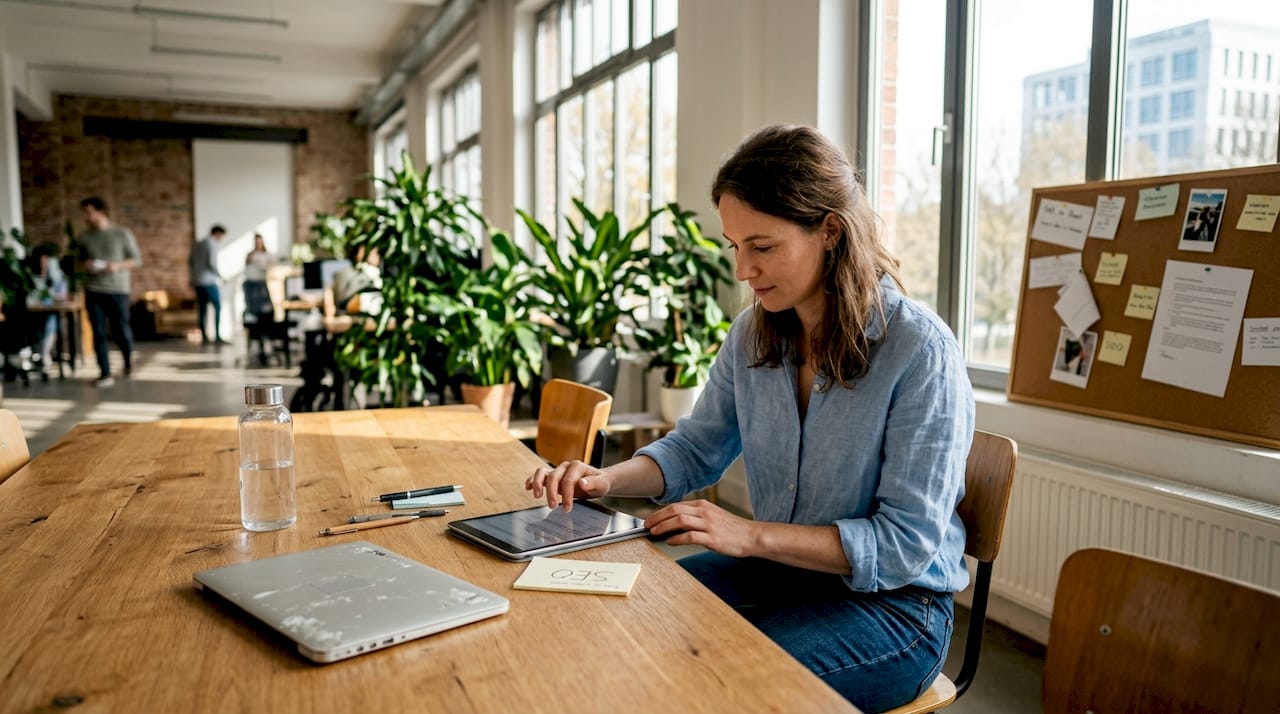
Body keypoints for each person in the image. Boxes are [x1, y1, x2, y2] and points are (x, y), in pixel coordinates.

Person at [526, 124, 974, 712]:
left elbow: (902, 545)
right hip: (778, 572)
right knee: (624, 628)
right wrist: (603, 479)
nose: (743, 269)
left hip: (894, 609)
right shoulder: (753, 334)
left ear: (830, 232)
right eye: (735, 246)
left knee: (714, 685)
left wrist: (747, 534)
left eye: (762, 247)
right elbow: (695, 450)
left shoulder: (920, 352)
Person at [77, 196, 142, 387]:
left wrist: (117, 265)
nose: (85, 217)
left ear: (101, 212)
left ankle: (129, 362)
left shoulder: (122, 234)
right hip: (93, 289)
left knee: (121, 329)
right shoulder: (84, 237)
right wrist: (85, 264)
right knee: (98, 333)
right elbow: (77, 261)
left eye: (88, 212)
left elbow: (137, 260)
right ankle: (105, 374)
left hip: (118, 289)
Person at [27, 242, 69, 373]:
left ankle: (43, 354)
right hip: (31, 312)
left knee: (51, 320)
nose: (43, 264)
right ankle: (38, 354)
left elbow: (62, 295)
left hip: (49, 310)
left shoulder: (57, 276)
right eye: (41, 260)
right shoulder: (30, 276)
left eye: (46, 261)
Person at [190, 224, 227, 345]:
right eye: (221, 236)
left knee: (202, 309)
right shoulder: (211, 244)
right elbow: (212, 263)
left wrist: (194, 276)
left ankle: (204, 337)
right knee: (217, 307)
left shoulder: (198, 244)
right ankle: (217, 336)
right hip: (209, 281)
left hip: (197, 281)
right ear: (217, 233)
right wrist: (220, 276)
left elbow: (190, 261)